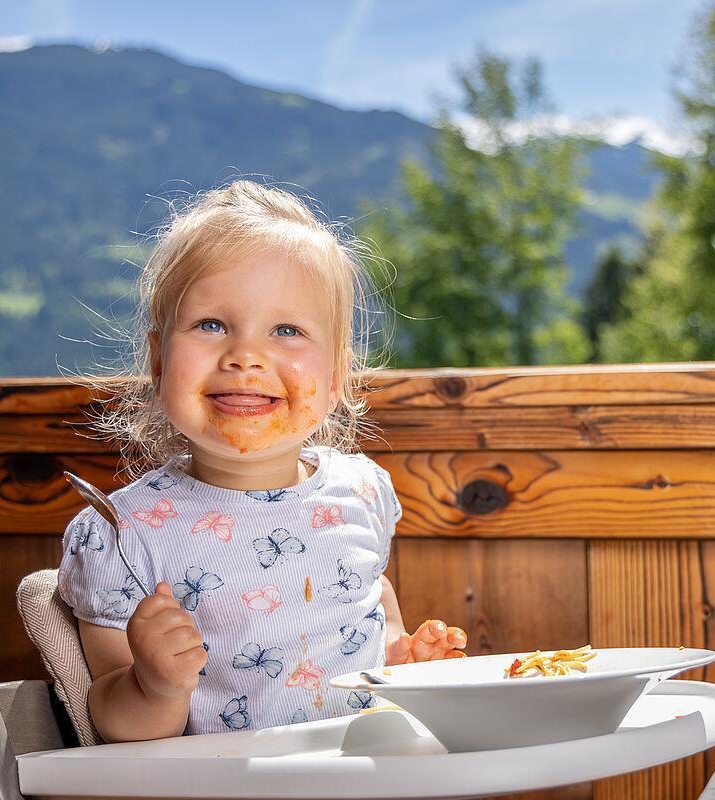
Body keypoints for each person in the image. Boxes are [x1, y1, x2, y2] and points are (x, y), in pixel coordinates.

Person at [57, 180, 467, 743]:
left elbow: (372, 623)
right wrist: (154, 687)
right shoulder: (120, 534)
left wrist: (404, 660)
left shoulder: (363, 492)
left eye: (287, 330)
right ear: (158, 361)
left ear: (336, 378)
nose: (246, 356)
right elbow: (115, 728)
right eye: (212, 325)